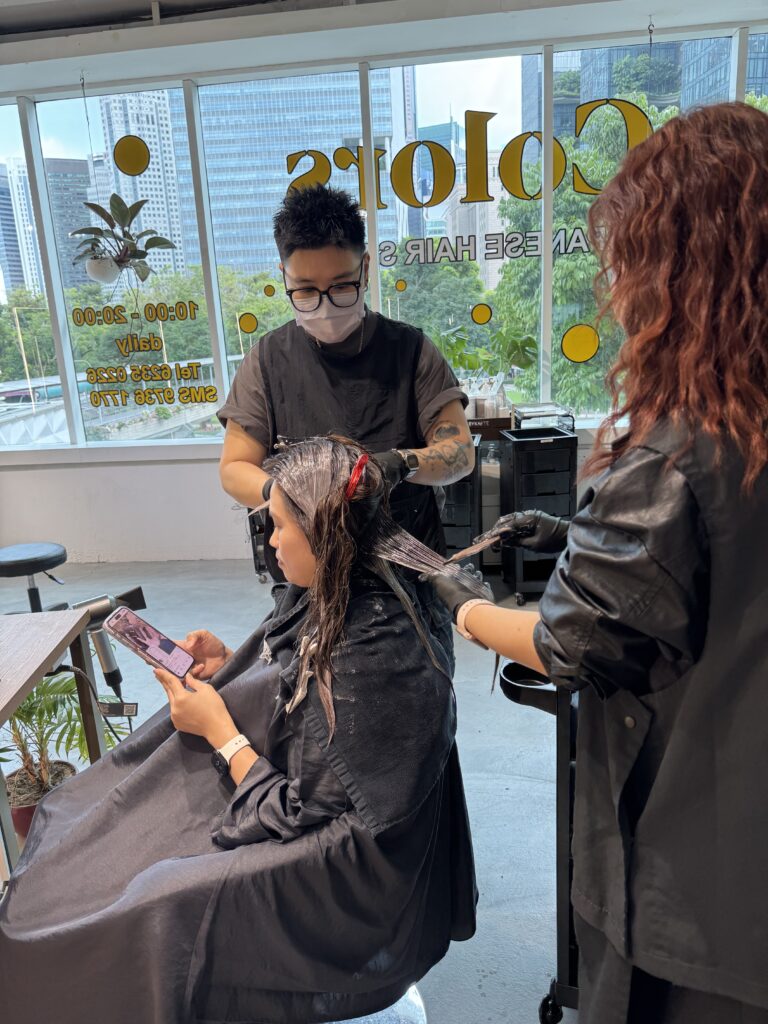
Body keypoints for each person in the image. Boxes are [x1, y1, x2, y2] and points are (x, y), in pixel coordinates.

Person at [428, 102, 768, 1023]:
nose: (614, 292)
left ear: (683, 271)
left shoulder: (676, 450)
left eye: (627, 264)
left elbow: (571, 642)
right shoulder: (742, 425)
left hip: (701, 881)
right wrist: (585, 536)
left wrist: (458, 599)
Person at [0, 436, 479, 1024]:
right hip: (295, 802)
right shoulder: (334, 590)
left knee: (153, 900)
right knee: (78, 815)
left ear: (324, 531)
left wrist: (221, 729)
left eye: (279, 526)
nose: (270, 541)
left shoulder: (373, 652)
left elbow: (305, 813)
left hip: (348, 876)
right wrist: (232, 664)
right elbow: (297, 689)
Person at [217, 183, 476, 579]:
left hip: (407, 577)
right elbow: (234, 467)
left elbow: (459, 450)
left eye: (341, 286)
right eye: (304, 290)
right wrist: (284, 494)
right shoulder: (267, 362)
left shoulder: (412, 351)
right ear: (283, 276)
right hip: (309, 582)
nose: (324, 305)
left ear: (366, 269)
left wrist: (399, 464)